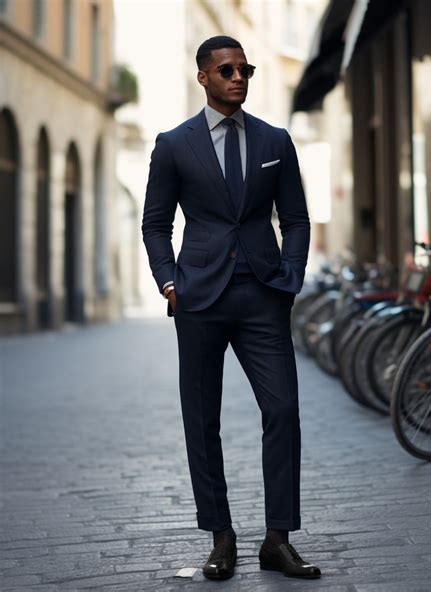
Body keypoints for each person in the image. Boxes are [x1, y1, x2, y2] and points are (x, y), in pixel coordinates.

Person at [142, 35, 321, 581]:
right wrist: (170, 283)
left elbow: (295, 217)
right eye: (226, 70)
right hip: (199, 297)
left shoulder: (275, 139)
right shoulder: (174, 144)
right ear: (203, 77)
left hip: (263, 294)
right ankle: (221, 535)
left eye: (244, 69)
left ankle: (278, 538)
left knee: (283, 411)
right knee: (202, 419)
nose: (237, 77)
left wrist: (289, 278)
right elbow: (155, 223)